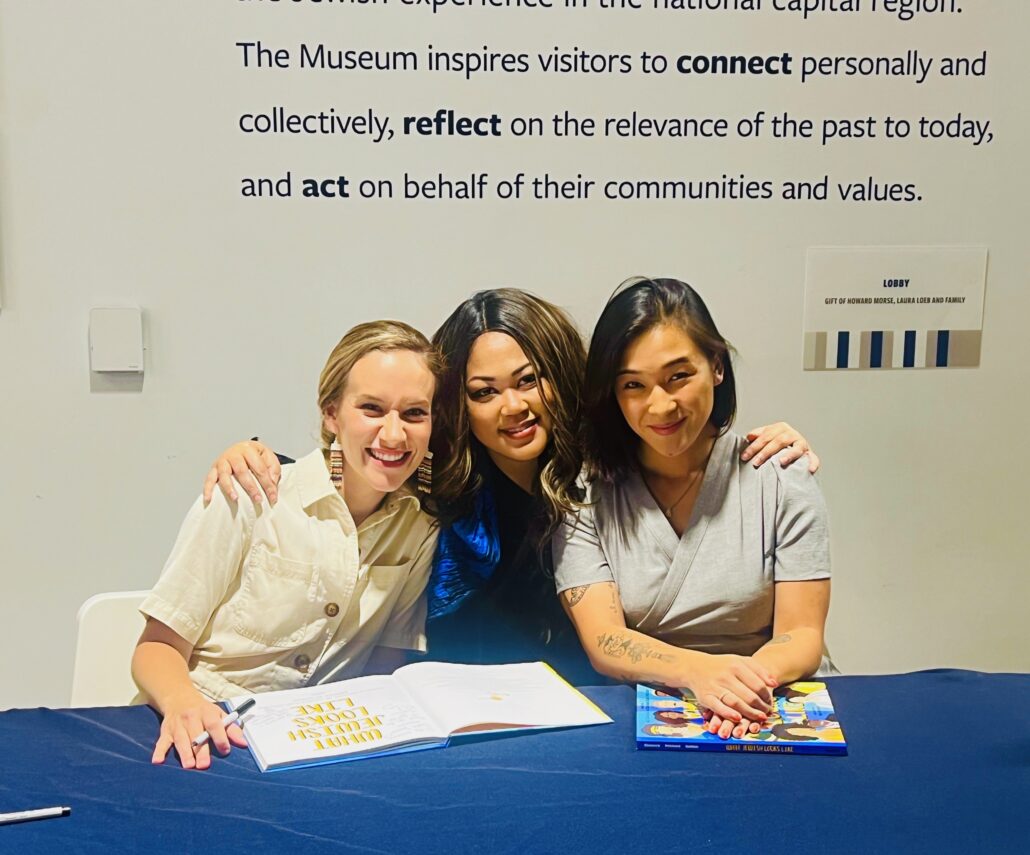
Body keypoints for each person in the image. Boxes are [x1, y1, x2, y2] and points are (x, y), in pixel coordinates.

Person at [201, 289, 819, 685]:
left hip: (583, 717)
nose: (512, 407)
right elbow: (347, 468)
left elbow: (684, 437)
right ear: (457, 406)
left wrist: (766, 443)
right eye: (483, 392)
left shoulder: (599, 477)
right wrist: (253, 454)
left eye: (529, 380)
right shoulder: (429, 482)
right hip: (452, 722)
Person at [132, 321, 441, 770]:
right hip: (207, 733)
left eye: (414, 413)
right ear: (331, 414)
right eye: (371, 408)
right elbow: (155, 647)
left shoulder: (419, 526)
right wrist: (184, 704)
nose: (393, 435)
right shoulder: (249, 492)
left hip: (317, 749)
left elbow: (385, 663)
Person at [553, 277, 833, 741]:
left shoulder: (782, 476)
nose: (660, 405)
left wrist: (738, 689)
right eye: (633, 385)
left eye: (678, 376)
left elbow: (802, 635)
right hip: (644, 711)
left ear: (717, 367)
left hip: (766, 702)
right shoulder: (585, 492)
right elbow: (603, 640)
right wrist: (700, 675)